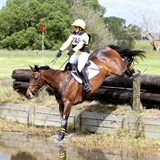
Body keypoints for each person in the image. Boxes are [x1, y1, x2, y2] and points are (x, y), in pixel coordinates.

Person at [56, 19, 91, 92]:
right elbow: (67, 42)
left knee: (80, 67)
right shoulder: (73, 35)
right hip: (76, 54)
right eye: (74, 27)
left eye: (76, 27)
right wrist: (60, 50)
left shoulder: (85, 36)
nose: (74, 28)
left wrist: (73, 50)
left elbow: (80, 45)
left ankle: (87, 84)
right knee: (69, 65)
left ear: (80, 28)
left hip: (83, 53)